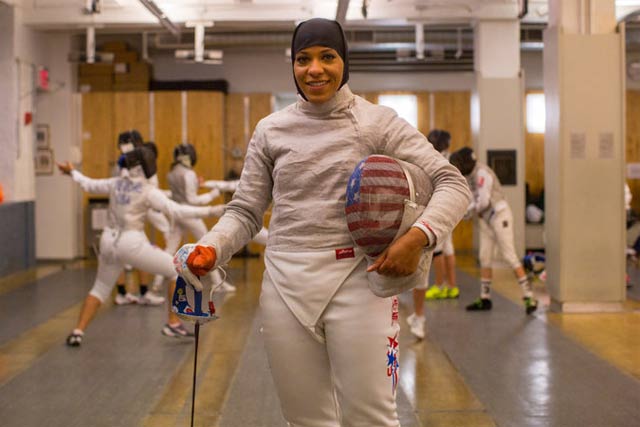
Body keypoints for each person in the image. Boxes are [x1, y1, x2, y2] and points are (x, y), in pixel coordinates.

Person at [174, 18, 470, 426]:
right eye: (303, 59)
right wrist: (211, 247)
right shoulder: (271, 129)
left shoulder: (375, 121)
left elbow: (452, 182)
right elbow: (245, 210)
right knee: (305, 420)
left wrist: (418, 237)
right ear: (292, 66)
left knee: (371, 419)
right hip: (284, 284)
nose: (315, 69)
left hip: (359, 280)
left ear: (343, 62)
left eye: (327, 57)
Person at [58, 144, 225, 346]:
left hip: (108, 241)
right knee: (177, 270)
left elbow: (88, 184)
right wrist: (211, 211)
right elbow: (177, 211)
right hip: (130, 242)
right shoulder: (147, 191)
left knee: (100, 288)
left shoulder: (115, 183)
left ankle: (78, 332)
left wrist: (72, 172)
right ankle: (172, 323)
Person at [449, 146, 538, 314]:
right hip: (486, 220)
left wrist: (465, 212)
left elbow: (482, 201)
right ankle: (485, 298)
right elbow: (473, 200)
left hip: (500, 217)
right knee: (485, 257)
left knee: (509, 255)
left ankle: (529, 296)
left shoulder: (482, 173)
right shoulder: (470, 176)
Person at [149, 143, 236, 292]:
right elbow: (192, 200)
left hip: (177, 215)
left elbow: (182, 194)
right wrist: (213, 194)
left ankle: (156, 284)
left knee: (169, 249)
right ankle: (217, 284)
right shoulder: (188, 174)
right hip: (189, 214)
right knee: (208, 245)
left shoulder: (172, 173)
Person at [406, 129, 460, 340]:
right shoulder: (422, 159)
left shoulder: (446, 163)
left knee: (430, 259)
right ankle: (447, 287)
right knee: (439, 254)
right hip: (421, 215)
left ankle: (421, 314)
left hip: (437, 217)